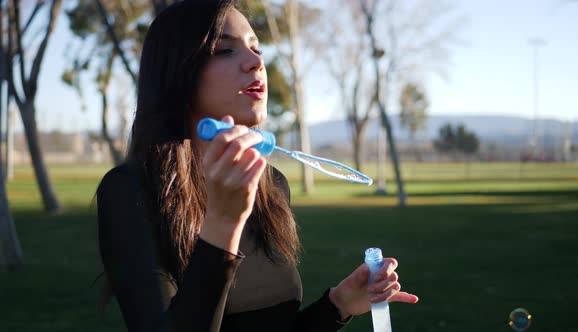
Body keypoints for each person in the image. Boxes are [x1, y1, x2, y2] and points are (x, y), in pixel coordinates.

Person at [96, 0, 419, 331]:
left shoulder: (271, 184)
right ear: (178, 71)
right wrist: (223, 222)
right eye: (224, 50)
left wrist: (338, 305)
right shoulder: (131, 191)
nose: (256, 62)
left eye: (256, 48)